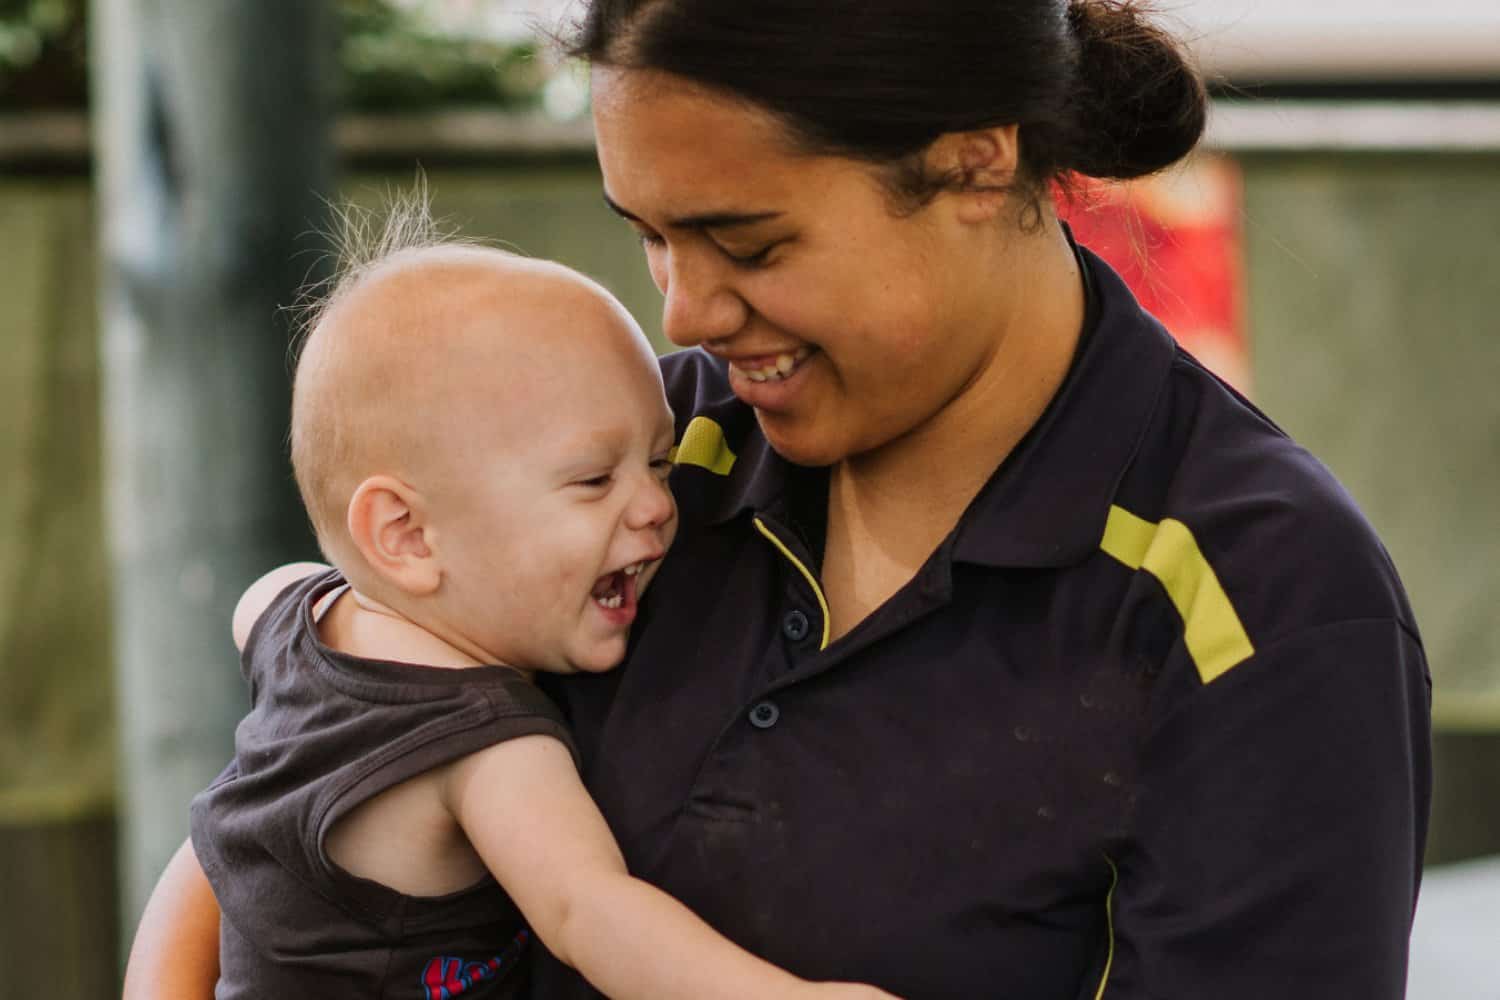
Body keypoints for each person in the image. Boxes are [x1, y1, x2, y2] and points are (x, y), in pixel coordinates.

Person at [125, 1, 1432, 997]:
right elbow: (278, 811)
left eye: (749, 243)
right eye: (649, 234)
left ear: (977, 164)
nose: (681, 311)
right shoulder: (639, 450)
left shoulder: (1259, 605)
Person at [170, 213, 896, 1000]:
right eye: (593, 480)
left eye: (659, 461)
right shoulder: (483, 747)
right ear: (406, 533)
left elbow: (257, 607)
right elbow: (590, 912)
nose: (657, 506)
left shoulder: (288, 617)